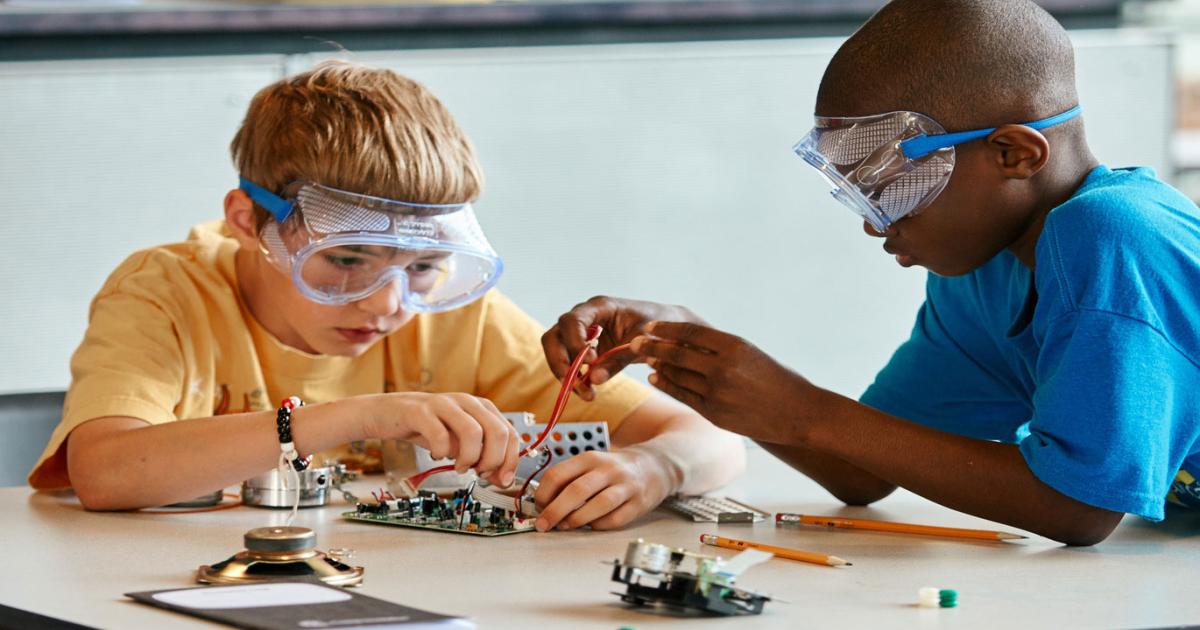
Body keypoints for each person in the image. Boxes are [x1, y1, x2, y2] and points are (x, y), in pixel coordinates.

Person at [542, 0, 1200, 545]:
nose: (875, 222)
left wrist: (807, 412)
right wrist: (700, 354)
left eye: (895, 188)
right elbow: (862, 471)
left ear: (1013, 154)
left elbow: (1077, 510)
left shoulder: (1115, 235)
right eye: (861, 194)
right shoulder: (978, 273)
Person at [29, 61, 744, 532]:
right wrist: (362, 414)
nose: (388, 304)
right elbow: (104, 470)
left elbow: (709, 440)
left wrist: (656, 468)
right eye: (345, 260)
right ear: (250, 223)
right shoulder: (168, 293)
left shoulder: (454, 317)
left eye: (427, 266)